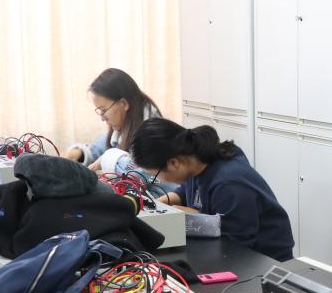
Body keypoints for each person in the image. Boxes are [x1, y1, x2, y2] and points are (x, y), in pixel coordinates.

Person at [130, 118, 295, 262]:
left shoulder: (229, 184)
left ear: (174, 163)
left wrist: (195, 217)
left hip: (262, 261)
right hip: (230, 251)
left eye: (156, 175)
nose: (159, 180)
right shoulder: (196, 161)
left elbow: (234, 246)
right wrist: (155, 204)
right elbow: (185, 192)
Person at [64, 68, 165, 179]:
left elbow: (143, 173)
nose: (102, 118)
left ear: (124, 104)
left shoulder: (153, 134)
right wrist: (80, 153)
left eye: (103, 110)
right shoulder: (123, 127)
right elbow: (100, 146)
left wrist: (108, 159)